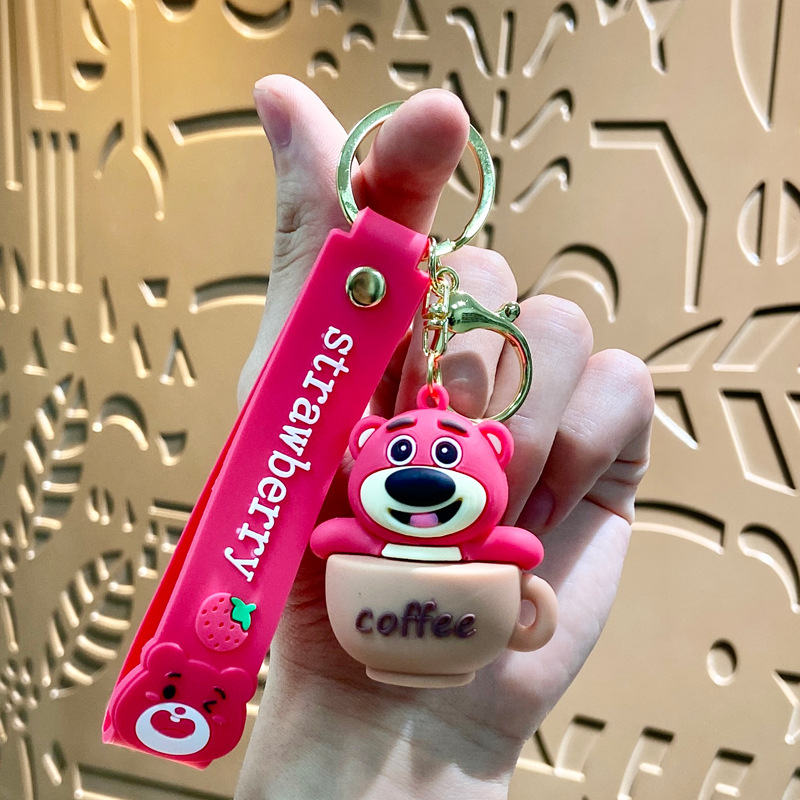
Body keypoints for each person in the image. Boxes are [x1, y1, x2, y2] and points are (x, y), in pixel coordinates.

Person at [234, 75, 655, 800]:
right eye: (397, 453)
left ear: (495, 450)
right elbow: (336, 538)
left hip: (440, 625)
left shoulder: (482, 548)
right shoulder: (352, 534)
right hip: (368, 624)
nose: (418, 475)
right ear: (366, 440)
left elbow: (515, 549)